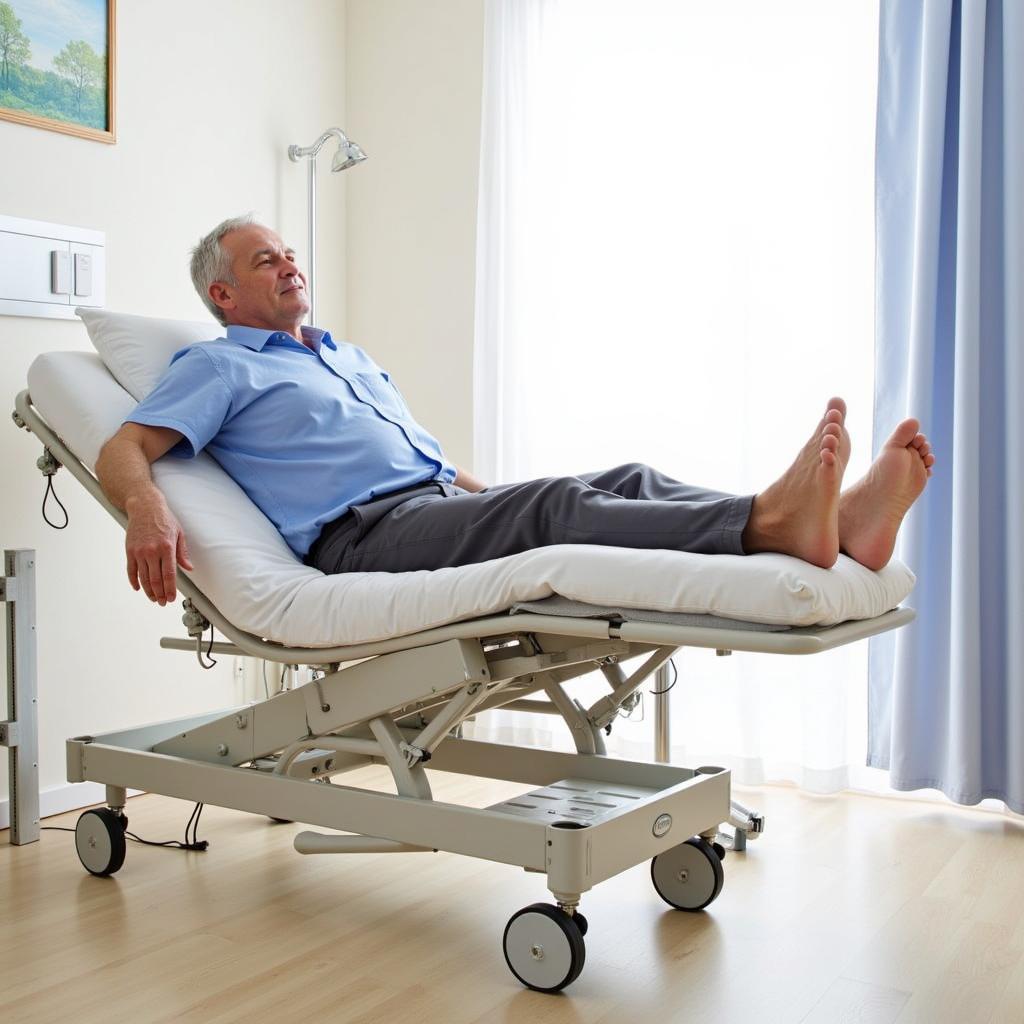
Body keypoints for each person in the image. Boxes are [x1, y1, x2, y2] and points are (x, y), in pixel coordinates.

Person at [95, 215, 936, 607]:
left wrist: (489, 501)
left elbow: (428, 464)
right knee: (555, 508)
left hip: (433, 506)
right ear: (222, 292)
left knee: (620, 477)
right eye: (264, 260)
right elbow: (125, 444)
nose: (289, 266)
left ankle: (836, 521)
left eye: (288, 253)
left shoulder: (341, 355)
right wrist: (144, 508)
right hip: (358, 539)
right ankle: (772, 524)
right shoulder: (219, 364)